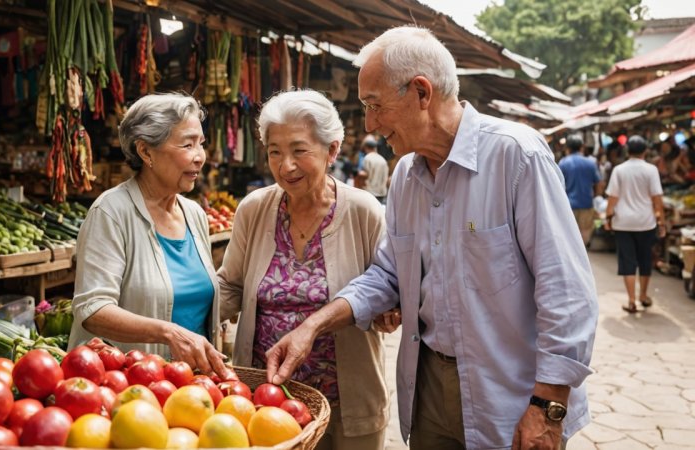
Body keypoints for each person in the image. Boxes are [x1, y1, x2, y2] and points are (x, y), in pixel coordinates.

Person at [265, 26, 598, 450]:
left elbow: (566, 291)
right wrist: (312, 326)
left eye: (375, 105)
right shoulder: (407, 175)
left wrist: (548, 406)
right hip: (429, 390)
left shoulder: (515, 155)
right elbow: (388, 274)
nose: (369, 123)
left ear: (421, 92)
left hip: (511, 397)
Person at [218, 89, 390, 450]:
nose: (286, 166)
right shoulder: (254, 209)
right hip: (266, 403)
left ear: (332, 150)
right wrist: (171, 317)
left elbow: (386, 289)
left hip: (347, 404)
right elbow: (230, 286)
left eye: (299, 150)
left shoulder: (364, 211)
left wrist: (389, 312)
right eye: (275, 152)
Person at [70, 93, 229, 378]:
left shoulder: (194, 214)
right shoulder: (111, 212)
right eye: (187, 144)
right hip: (131, 385)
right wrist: (168, 332)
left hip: (192, 385)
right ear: (145, 152)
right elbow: (92, 309)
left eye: (201, 144)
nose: (200, 157)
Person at [603, 135, 664, 314]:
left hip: (623, 223)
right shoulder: (651, 170)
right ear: (645, 151)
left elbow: (613, 197)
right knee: (645, 259)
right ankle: (643, 296)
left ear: (627, 151)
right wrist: (661, 221)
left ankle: (631, 301)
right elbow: (657, 199)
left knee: (627, 261)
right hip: (646, 222)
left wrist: (608, 218)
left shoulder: (619, 170)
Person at [558, 134, 602, 246]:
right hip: (586, 203)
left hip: (568, 204)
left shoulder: (563, 163)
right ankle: (583, 253)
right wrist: (596, 197)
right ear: (582, 147)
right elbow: (599, 183)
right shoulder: (591, 163)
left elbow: (558, 184)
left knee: (568, 234)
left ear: (567, 148)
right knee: (585, 232)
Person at [359, 134, 389, 204]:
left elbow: (365, 175)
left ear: (366, 147)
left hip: (370, 193)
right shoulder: (383, 160)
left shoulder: (367, 158)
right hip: (381, 194)